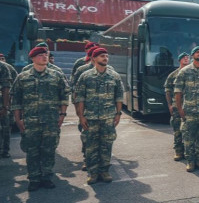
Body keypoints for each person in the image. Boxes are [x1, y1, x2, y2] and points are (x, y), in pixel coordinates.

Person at [11, 46, 70, 191]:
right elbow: (16, 100)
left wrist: (62, 115)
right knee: (32, 151)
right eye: (40, 55)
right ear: (32, 58)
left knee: (49, 149)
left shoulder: (56, 75)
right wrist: (18, 119)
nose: (44, 57)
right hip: (31, 121)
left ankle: (46, 176)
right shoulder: (23, 77)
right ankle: (34, 178)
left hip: (51, 120)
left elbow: (64, 96)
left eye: (46, 54)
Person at [75, 47, 124, 184]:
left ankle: (104, 171)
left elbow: (119, 96)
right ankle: (93, 173)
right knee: (91, 146)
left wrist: (118, 114)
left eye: (107, 56)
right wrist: (81, 117)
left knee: (106, 145)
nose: (105, 58)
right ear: (94, 59)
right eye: (102, 56)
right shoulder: (85, 76)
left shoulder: (114, 76)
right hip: (90, 118)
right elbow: (80, 98)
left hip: (108, 117)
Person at [164, 52, 190, 161]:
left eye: (187, 58)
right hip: (176, 107)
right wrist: (170, 105)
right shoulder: (173, 75)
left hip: (189, 106)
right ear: (179, 60)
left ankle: (189, 153)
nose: (186, 59)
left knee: (189, 131)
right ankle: (179, 152)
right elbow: (167, 90)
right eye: (183, 58)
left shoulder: (191, 73)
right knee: (178, 130)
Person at [0, 53, 17, 158]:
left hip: (4, 102)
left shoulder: (6, 68)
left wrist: (6, 106)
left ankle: (5, 150)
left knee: (5, 127)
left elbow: (11, 87)